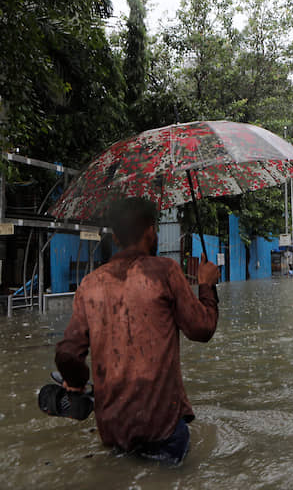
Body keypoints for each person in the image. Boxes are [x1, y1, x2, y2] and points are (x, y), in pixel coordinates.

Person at [54, 197, 220, 464]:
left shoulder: (90, 284)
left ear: (116, 237)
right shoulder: (165, 271)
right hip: (163, 429)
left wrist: (75, 383)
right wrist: (206, 285)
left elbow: (67, 354)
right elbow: (202, 329)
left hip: (113, 431)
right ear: (151, 230)